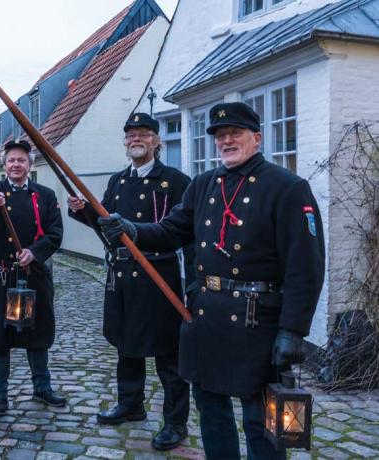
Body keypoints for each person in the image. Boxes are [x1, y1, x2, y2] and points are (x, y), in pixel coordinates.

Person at [98, 102, 325, 459]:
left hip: (257, 321)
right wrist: (131, 230)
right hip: (207, 318)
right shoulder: (204, 184)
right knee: (212, 411)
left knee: (259, 420)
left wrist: (293, 330)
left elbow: (306, 266)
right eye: (221, 136)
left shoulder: (288, 188)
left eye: (235, 134)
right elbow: (172, 230)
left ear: (257, 138)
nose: (227, 141)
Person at [68, 112, 192, 451]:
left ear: (156, 140)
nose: (136, 139)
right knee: (127, 346)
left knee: (169, 355)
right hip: (123, 275)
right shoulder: (118, 181)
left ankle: (176, 422)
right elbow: (106, 225)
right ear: (126, 142)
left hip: (159, 274)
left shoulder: (175, 181)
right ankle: (130, 404)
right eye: (131, 135)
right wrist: (83, 211)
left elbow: (183, 232)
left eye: (144, 134)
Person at [0, 139, 66, 417]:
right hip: (1, 276)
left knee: (39, 334)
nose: (16, 165)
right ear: (4, 164)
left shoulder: (44, 195)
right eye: (11, 160)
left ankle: (42, 387)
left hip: (34, 275)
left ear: (29, 165)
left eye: (21, 160)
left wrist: (35, 253)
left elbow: (55, 233)